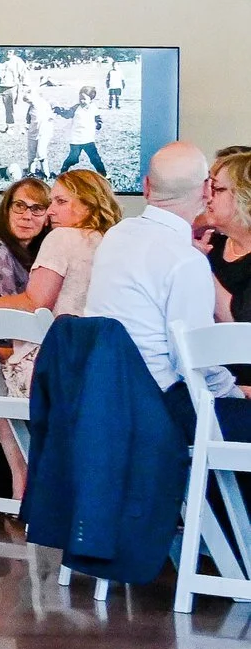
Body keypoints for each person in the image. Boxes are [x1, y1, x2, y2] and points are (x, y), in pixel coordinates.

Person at [0, 168, 121, 493]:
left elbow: (35, 301)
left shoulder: (62, 238)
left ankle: (21, 485)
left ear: (87, 204)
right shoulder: (114, 240)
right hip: (101, 367)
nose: (50, 211)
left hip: (57, 365)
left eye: (59, 201)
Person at [88, 142, 248, 436]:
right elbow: (192, 359)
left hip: (109, 401)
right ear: (205, 191)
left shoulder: (115, 236)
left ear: (146, 185)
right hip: (164, 409)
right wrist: (236, 391)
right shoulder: (186, 259)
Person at [205, 149, 251, 325]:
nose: (208, 197)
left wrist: (199, 264)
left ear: (245, 197)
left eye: (217, 189)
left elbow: (238, 321)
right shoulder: (210, 244)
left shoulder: (201, 253)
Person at [52, 85, 108, 175]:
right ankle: (63, 172)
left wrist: (98, 124)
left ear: (91, 99)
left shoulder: (94, 108)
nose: (81, 101)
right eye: (80, 98)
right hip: (76, 139)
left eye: (84, 99)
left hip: (88, 139)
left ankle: (104, 175)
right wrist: (59, 110)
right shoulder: (76, 108)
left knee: (95, 158)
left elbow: (98, 119)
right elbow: (67, 114)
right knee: (73, 158)